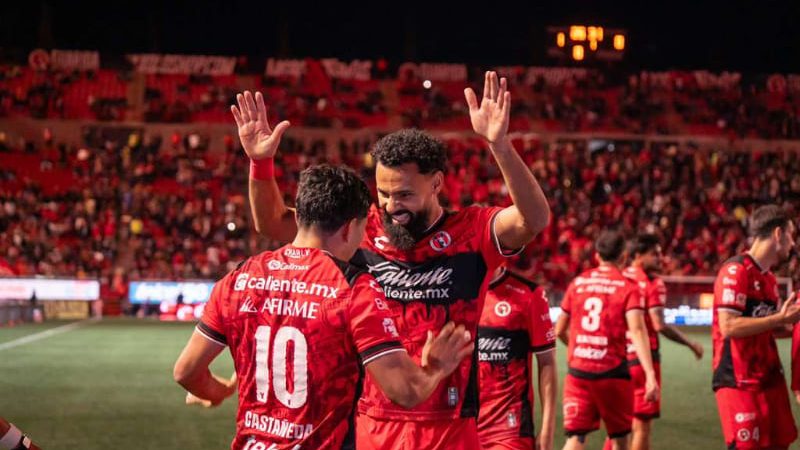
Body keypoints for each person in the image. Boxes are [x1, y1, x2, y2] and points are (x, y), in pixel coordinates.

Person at [233, 71, 550, 450]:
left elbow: (534, 219)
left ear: (436, 184)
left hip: (450, 425)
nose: (388, 205)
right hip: (372, 422)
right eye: (382, 193)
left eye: (402, 195)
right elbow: (272, 222)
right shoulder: (361, 229)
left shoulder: (473, 232)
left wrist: (499, 145)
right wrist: (260, 163)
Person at [173, 165, 474, 449]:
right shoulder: (354, 287)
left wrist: (219, 392)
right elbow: (405, 392)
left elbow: (187, 371)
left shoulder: (240, 276)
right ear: (348, 228)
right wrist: (436, 368)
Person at [555, 230, 659, 450]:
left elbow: (559, 329)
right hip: (612, 374)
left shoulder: (578, 283)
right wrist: (650, 375)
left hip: (578, 373)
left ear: (596, 256)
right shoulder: (628, 287)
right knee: (620, 441)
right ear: (623, 257)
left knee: (575, 438)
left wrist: (580, 346)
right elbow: (638, 331)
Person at [602, 234, 704, 450]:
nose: (661, 258)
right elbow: (659, 325)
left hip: (616, 358)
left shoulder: (618, 276)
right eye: (654, 254)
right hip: (642, 360)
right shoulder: (653, 283)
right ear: (638, 256)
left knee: (618, 425)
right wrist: (690, 343)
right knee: (641, 426)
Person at [712, 205, 800, 450]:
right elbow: (728, 326)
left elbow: (768, 327)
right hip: (738, 381)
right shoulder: (735, 271)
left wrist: (793, 324)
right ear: (778, 234)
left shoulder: (769, 279)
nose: (793, 244)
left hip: (769, 379)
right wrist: (780, 318)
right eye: (792, 235)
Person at [476, 265, 557, 450]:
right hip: (463, 424)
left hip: (509, 429)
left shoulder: (529, 294)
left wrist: (547, 429)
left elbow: (547, 362)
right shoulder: (456, 291)